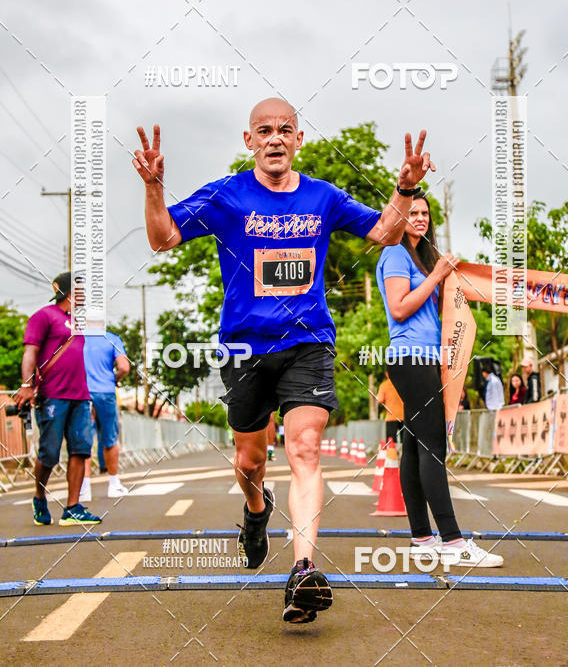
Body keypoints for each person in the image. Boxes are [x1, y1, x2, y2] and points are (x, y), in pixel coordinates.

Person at [133, 100, 434, 622]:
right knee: (250, 462)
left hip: (308, 343)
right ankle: (255, 513)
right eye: (264, 131)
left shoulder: (322, 196)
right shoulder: (228, 195)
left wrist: (404, 187)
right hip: (245, 347)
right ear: (249, 141)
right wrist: (155, 188)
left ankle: (302, 569)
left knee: (305, 448)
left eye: (285, 130)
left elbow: (385, 232)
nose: (275, 138)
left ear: (299, 140)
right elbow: (163, 238)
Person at [376, 195, 503, 568]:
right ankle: (453, 541)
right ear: (398, 216)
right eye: (411, 212)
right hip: (410, 358)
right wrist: (436, 276)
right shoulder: (395, 254)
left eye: (424, 213)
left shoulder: (421, 257)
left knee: (415, 447)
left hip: (426, 358)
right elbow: (399, 308)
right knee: (433, 446)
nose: (418, 218)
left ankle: (422, 537)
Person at [13, 273, 102, 527]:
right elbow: (30, 352)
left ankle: (72, 507)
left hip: (80, 397)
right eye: (81, 290)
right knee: (49, 453)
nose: (85, 294)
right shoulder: (44, 316)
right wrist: (27, 386)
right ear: (68, 292)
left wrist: (90, 399)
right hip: (52, 395)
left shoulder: (78, 323)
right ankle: (39, 496)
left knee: (81, 449)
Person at [79, 332, 131, 501]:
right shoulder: (112, 338)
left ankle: (85, 488)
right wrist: (114, 378)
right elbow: (124, 367)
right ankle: (114, 484)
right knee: (110, 438)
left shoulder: (76, 337)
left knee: (83, 440)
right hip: (106, 392)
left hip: (82, 392)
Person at [376, 372, 404, 444]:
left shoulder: (384, 385)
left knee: (391, 443)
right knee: (405, 442)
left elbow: (380, 400)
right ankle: (403, 454)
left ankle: (392, 454)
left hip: (391, 417)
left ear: (386, 374)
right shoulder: (403, 383)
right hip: (403, 417)